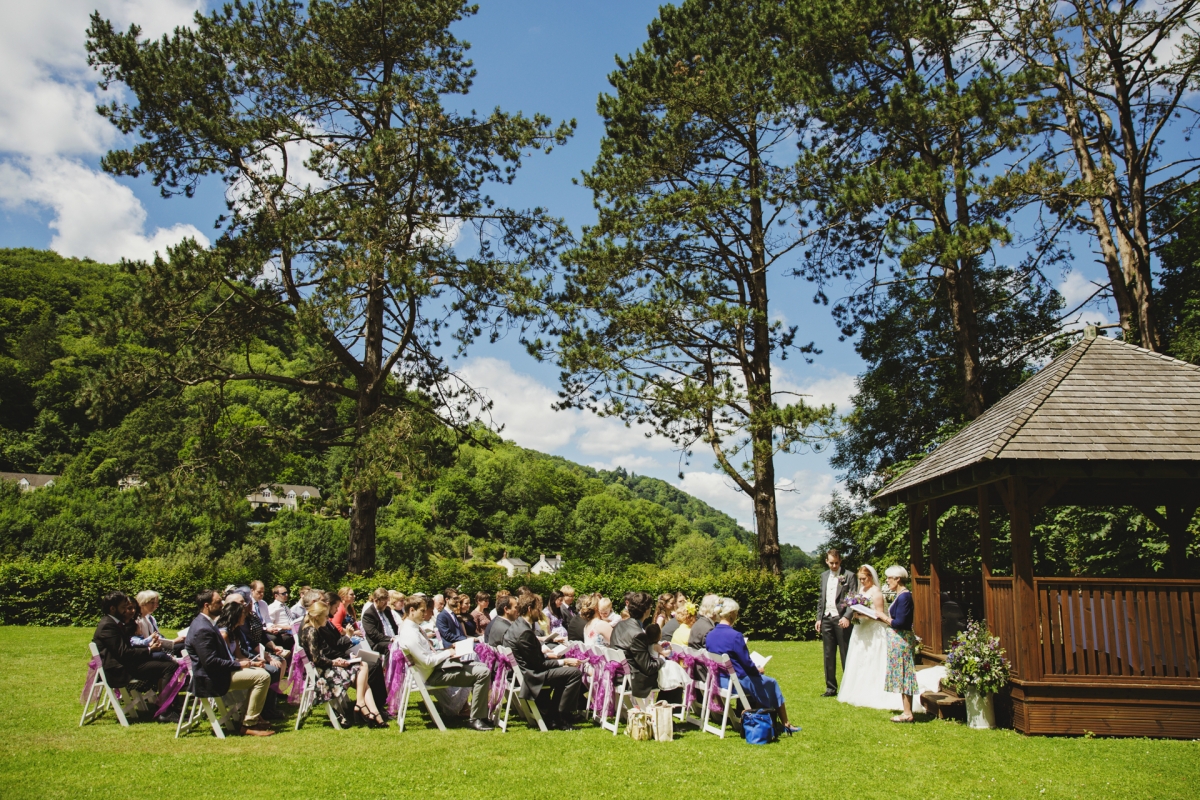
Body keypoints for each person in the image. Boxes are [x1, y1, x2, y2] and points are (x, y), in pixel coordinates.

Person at [396, 596, 495, 731]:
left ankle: (481, 715)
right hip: (433, 675)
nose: (425, 614)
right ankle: (476, 718)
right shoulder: (410, 632)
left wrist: (448, 653)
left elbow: (428, 656)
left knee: (482, 667)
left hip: (437, 668)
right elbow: (427, 662)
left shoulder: (412, 627)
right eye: (422, 611)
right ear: (411, 610)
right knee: (482, 672)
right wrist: (448, 653)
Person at [185, 589, 275, 736]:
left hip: (218, 673)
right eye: (218, 602)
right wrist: (239, 664)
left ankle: (250, 718)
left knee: (261, 673)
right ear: (207, 605)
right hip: (211, 679)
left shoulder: (207, 623)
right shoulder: (202, 628)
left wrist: (249, 663)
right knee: (262, 677)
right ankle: (248, 724)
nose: (222, 604)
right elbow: (210, 662)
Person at [705, 599, 799, 732]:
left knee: (762, 682)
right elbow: (747, 664)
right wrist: (758, 669)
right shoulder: (735, 636)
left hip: (719, 680)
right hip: (736, 682)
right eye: (736, 613)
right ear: (732, 614)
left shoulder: (710, 635)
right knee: (771, 682)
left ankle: (766, 718)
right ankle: (784, 723)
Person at [837, 565, 922, 712]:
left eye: (864, 578)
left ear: (870, 577)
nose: (862, 581)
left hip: (875, 630)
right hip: (861, 629)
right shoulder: (862, 590)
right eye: (860, 579)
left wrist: (865, 613)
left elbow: (880, 614)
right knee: (858, 660)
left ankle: (888, 699)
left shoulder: (881, 593)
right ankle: (857, 690)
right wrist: (856, 613)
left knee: (874, 660)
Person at [299, 600, 386, 727]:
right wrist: (336, 662)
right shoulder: (311, 631)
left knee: (363, 668)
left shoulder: (312, 629)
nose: (328, 618)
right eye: (326, 616)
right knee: (363, 667)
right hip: (323, 673)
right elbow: (316, 659)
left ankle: (369, 709)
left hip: (326, 667)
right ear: (317, 617)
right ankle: (366, 708)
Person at [503, 594, 584, 730]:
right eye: (537, 609)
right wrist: (564, 661)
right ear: (530, 609)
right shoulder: (524, 632)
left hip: (528, 670)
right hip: (532, 676)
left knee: (566, 672)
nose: (540, 612)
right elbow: (539, 665)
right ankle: (561, 717)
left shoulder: (517, 625)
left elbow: (535, 658)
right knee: (574, 673)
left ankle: (553, 715)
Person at [93, 591, 177, 691]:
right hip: (119, 670)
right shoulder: (108, 626)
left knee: (164, 660)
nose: (126, 611)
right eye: (123, 608)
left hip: (126, 664)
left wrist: (149, 648)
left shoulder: (113, 623)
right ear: (112, 609)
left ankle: (162, 699)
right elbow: (124, 653)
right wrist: (149, 649)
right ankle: (165, 704)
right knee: (170, 666)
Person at [218, 596, 284, 720]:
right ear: (236, 616)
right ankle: (260, 712)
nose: (245, 616)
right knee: (268, 672)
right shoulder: (224, 634)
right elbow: (229, 660)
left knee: (270, 669)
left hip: (236, 664)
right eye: (243, 614)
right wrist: (252, 664)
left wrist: (255, 661)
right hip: (226, 671)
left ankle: (265, 709)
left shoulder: (235, 631)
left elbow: (239, 655)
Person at [610, 591, 675, 703]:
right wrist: (662, 659)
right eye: (650, 607)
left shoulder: (620, 624)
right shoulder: (638, 634)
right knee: (673, 676)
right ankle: (665, 715)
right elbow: (648, 667)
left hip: (618, 674)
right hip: (633, 679)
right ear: (646, 611)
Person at [815, 548, 858, 696]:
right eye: (831, 563)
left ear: (840, 561)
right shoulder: (824, 576)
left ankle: (849, 687)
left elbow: (853, 599)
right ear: (827, 561)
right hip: (827, 618)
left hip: (842, 619)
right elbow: (821, 599)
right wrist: (819, 618)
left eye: (836, 563)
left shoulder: (849, 576)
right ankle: (831, 688)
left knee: (845, 653)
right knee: (828, 654)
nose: (834, 566)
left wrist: (847, 616)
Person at [879, 566, 920, 723]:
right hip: (898, 640)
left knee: (905, 673)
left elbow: (901, 622)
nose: (887, 581)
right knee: (902, 674)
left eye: (889, 578)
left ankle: (908, 712)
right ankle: (906, 711)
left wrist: (883, 617)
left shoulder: (904, 597)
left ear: (898, 579)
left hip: (902, 640)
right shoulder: (901, 595)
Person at [132, 590, 184, 655]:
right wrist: (174, 641)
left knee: (185, 645)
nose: (156, 606)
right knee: (183, 647)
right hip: (149, 650)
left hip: (159, 646)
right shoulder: (137, 621)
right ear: (143, 603)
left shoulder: (150, 618)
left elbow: (158, 637)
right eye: (152, 603)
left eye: (156, 603)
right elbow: (142, 643)